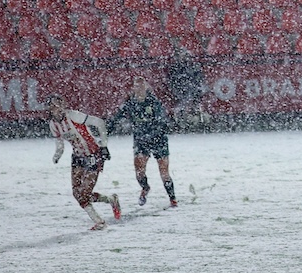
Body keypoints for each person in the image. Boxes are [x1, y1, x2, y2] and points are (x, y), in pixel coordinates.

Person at [48, 96, 122, 229]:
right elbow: (59, 145)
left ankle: (100, 222)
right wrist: (57, 155)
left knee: (84, 194)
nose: (56, 109)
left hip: (93, 154)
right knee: (77, 194)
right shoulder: (53, 124)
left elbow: (99, 122)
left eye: (58, 105)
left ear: (63, 106)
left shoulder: (74, 116)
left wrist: (104, 145)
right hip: (78, 157)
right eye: (53, 106)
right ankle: (110, 200)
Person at [108, 79, 176, 208]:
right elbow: (116, 118)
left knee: (164, 172)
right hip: (141, 141)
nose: (139, 88)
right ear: (133, 88)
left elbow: (162, 121)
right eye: (136, 86)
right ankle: (145, 188)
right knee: (139, 171)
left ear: (146, 88)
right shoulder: (130, 103)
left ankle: (173, 199)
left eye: (142, 85)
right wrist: (106, 129)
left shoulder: (154, 102)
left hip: (158, 140)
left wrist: (154, 132)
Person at [166, 46, 207, 128]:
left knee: (195, 92)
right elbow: (172, 81)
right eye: (182, 55)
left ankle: (194, 116)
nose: (184, 57)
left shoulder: (194, 67)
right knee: (186, 95)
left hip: (192, 91)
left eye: (186, 55)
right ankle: (183, 117)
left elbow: (199, 79)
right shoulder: (174, 68)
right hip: (180, 91)